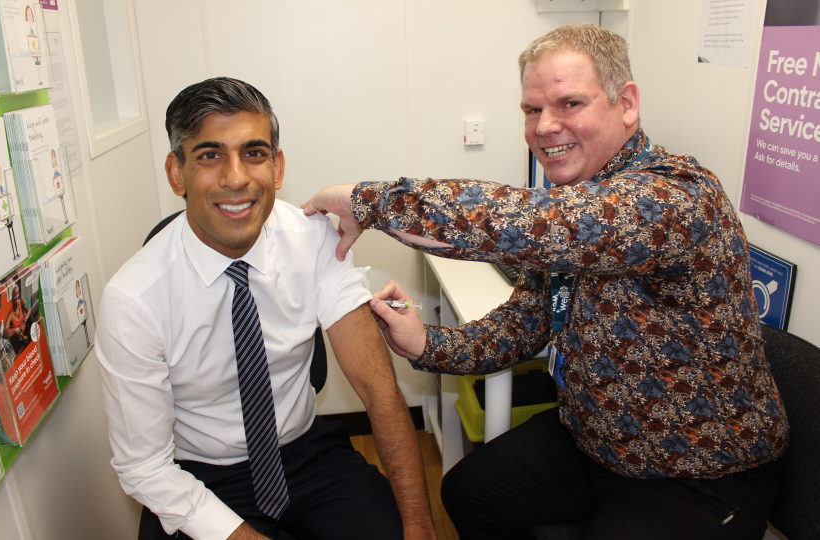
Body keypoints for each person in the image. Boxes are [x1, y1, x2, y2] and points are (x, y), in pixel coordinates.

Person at [302, 24, 789, 540]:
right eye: (532, 110)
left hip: (697, 470)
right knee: (468, 493)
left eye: (570, 103)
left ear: (627, 104)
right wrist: (428, 344)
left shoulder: (674, 198)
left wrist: (366, 199)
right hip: (595, 443)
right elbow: (526, 321)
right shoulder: (577, 204)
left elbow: (526, 222)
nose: (545, 127)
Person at [95, 78, 435, 540]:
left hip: (305, 453)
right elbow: (144, 468)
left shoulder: (314, 239)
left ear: (276, 167)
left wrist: (418, 526)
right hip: (199, 476)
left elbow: (378, 389)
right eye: (210, 155)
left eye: (253, 153)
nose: (236, 178)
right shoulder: (133, 299)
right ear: (177, 173)